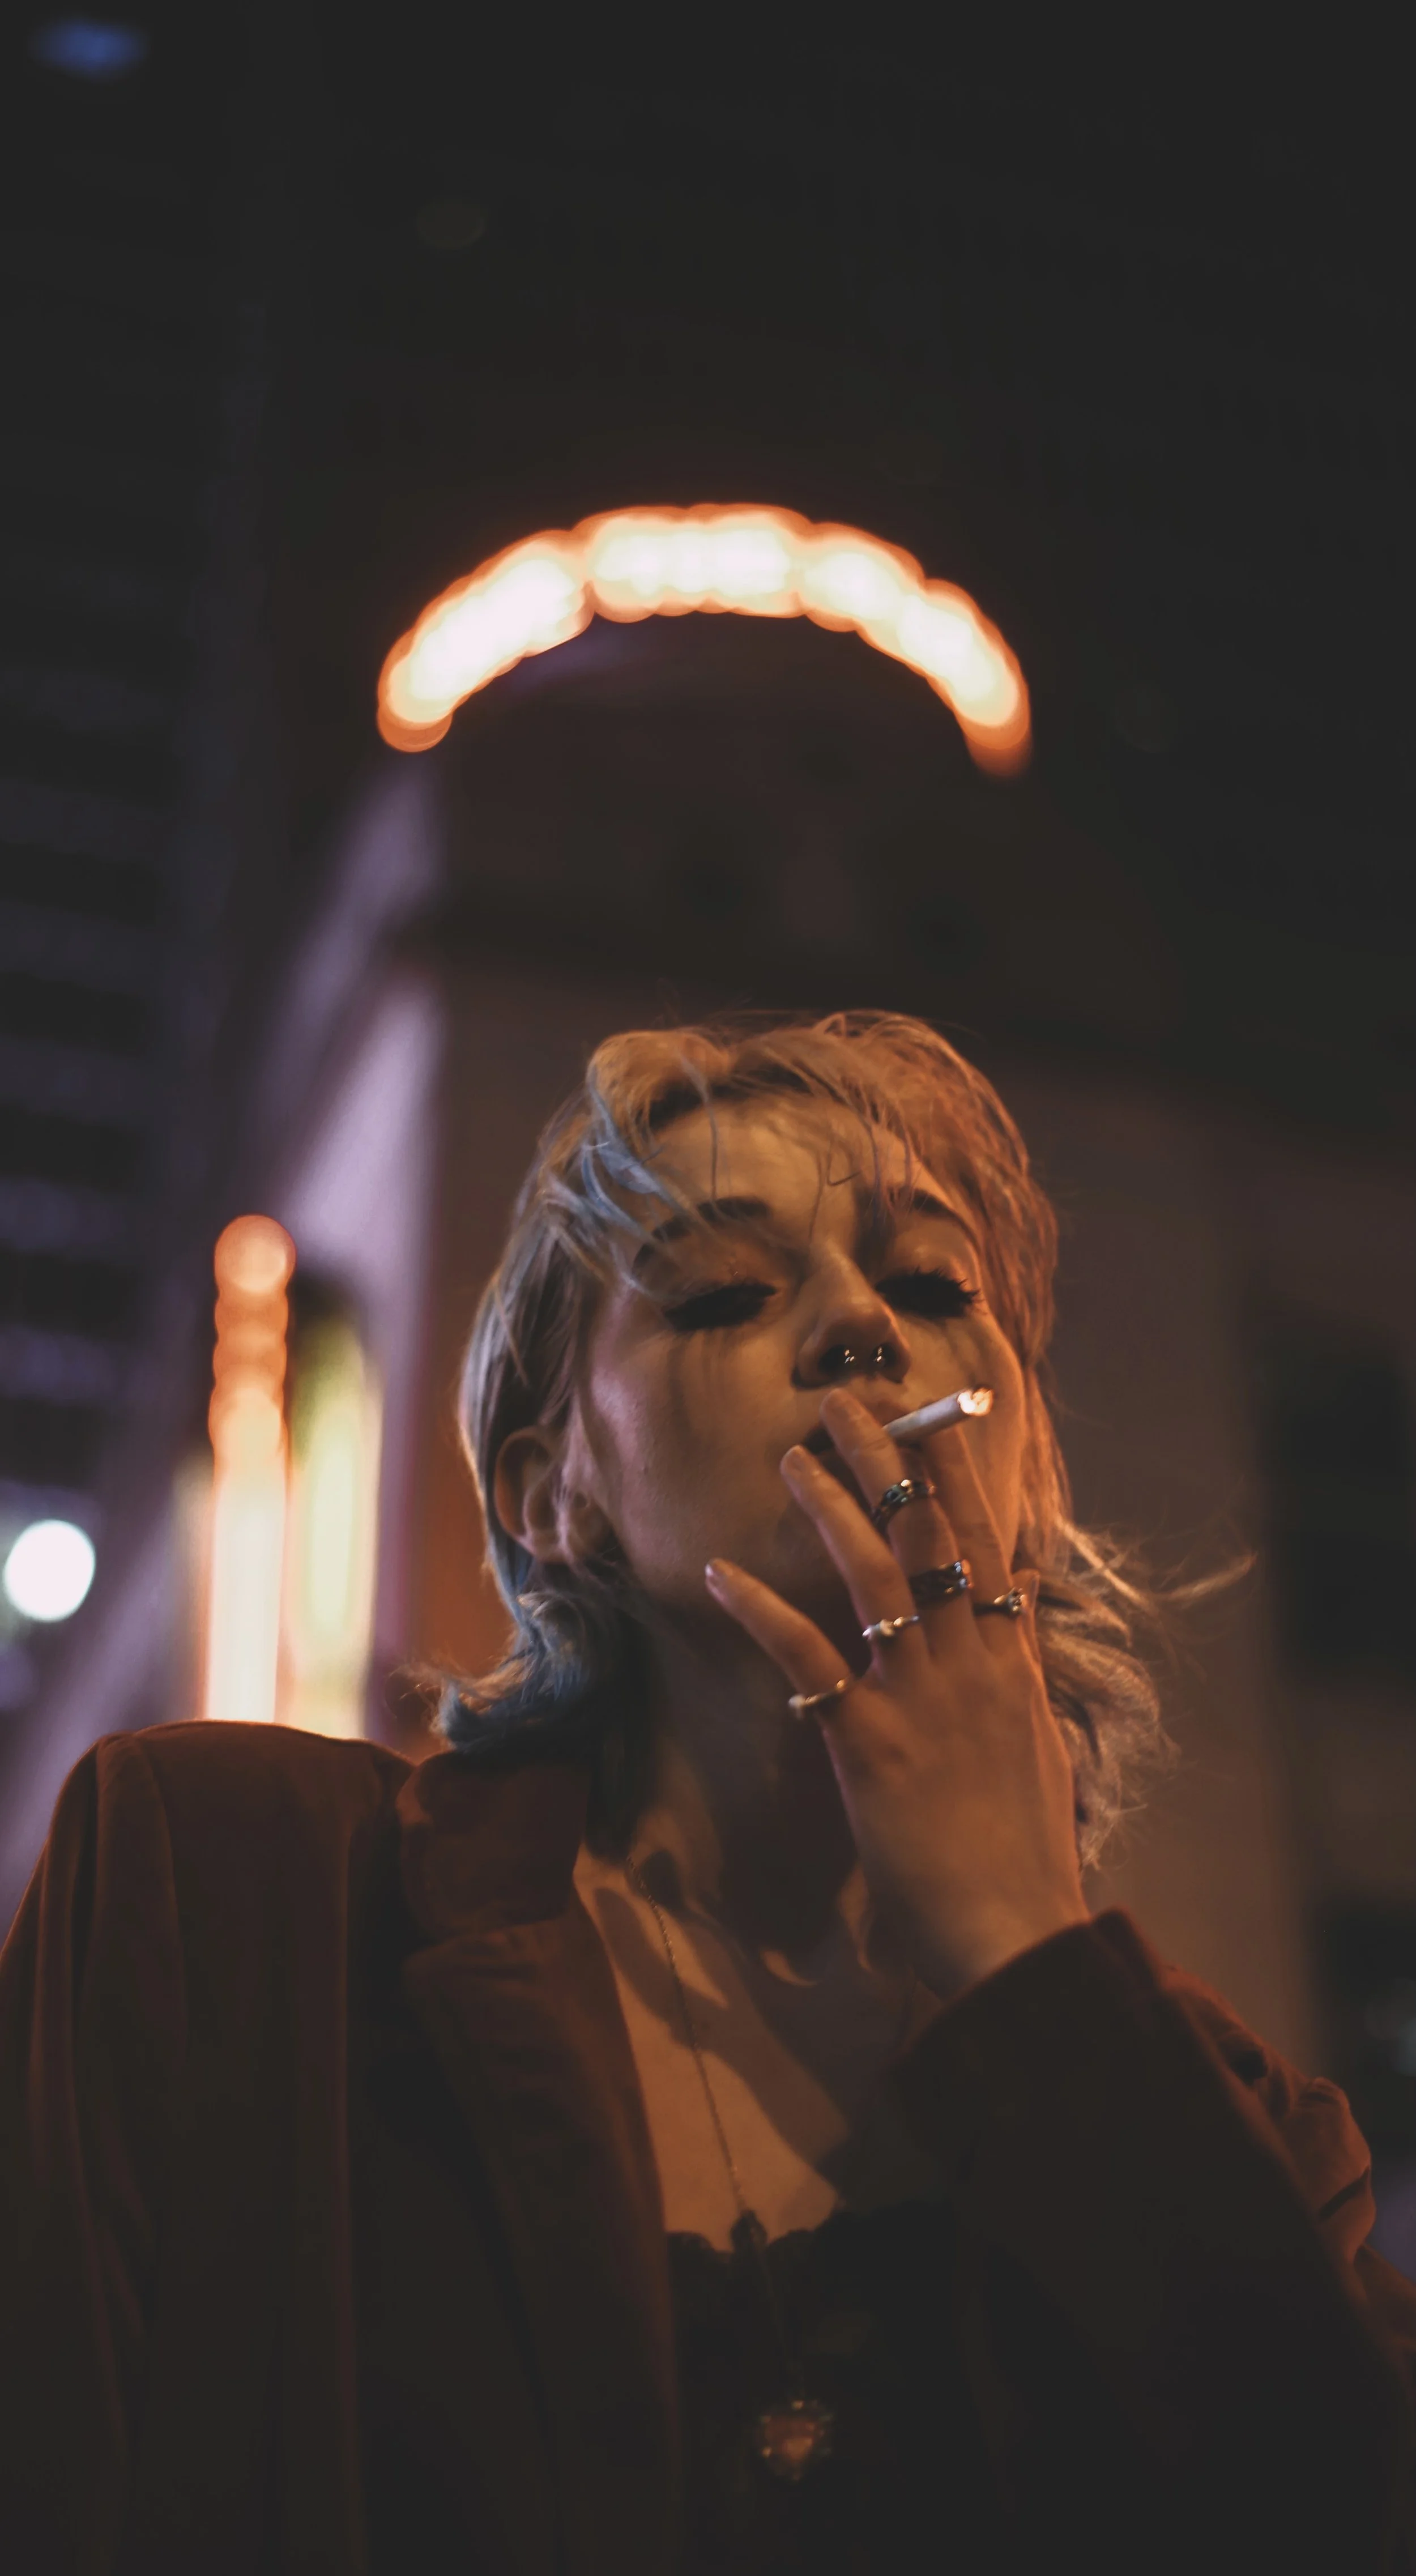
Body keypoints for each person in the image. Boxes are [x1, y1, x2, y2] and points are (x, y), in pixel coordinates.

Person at [2, 1009, 1413, 2574]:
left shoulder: (1237, 2126)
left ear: (1025, 1471)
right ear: (554, 1494)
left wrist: (1020, 1940)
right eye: (728, 1290)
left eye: (931, 1285)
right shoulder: (232, 1891)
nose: (859, 1324)